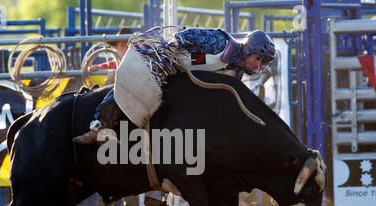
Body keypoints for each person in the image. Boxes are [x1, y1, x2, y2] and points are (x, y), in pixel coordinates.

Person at [73, 28, 276, 144]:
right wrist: (169, 57)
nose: (257, 65)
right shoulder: (220, 43)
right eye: (257, 58)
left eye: (262, 62)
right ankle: (99, 123)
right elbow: (183, 37)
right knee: (134, 83)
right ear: (249, 49)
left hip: (182, 84)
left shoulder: (235, 72)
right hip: (166, 64)